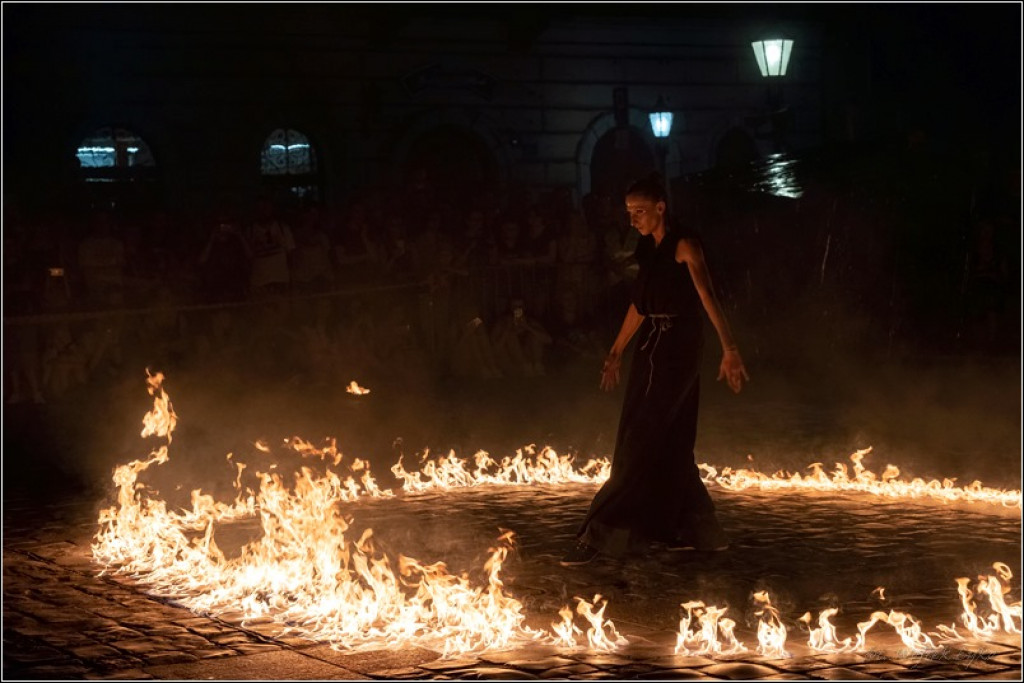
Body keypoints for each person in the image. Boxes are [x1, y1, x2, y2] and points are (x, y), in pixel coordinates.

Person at [560, 172, 749, 567]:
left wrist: (729, 349)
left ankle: (604, 533)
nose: (633, 220)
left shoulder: (684, 245)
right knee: (672, 439)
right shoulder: (649, 250)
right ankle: (699, 530)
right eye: (629, 212)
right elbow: (640, 305)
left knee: (642, 437)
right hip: (652, 345)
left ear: (660, 207)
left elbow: (706, 295)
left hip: (680, 346)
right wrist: (615, 351)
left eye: (640, 211)